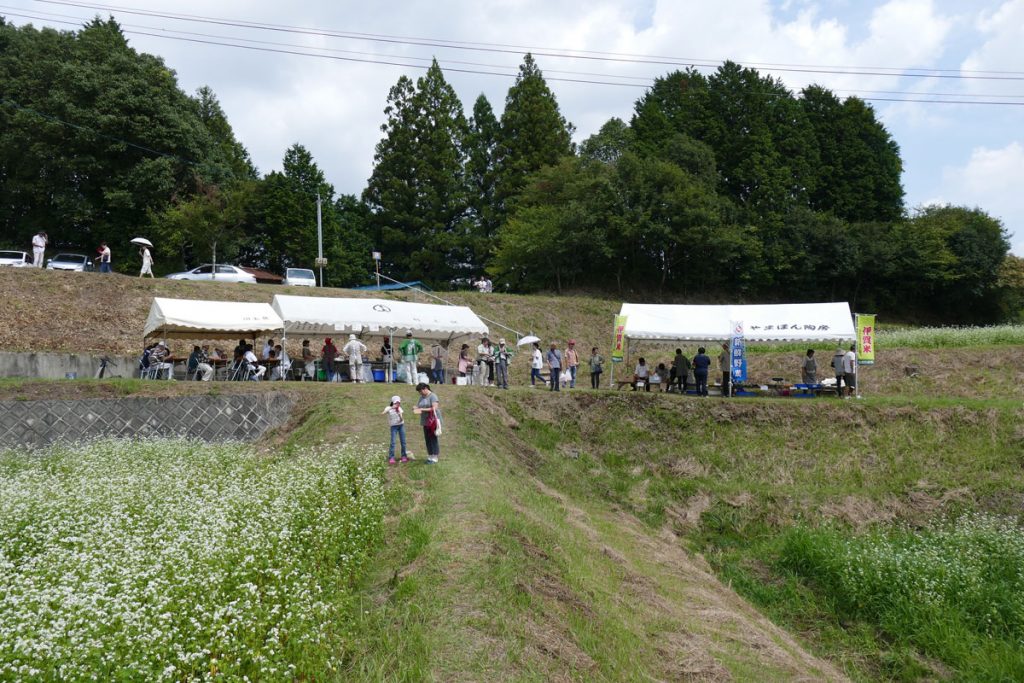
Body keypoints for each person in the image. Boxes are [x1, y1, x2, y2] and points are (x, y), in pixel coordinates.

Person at [413, 382, 441, 464]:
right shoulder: (421, 397)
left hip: (432, 421)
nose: (420, 393)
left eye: (420, 391)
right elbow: (419, 406)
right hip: (425, 421)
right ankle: (430, 455)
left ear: (425, 389)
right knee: (427, 439)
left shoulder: (433, 396)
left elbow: (434, 408)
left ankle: (435, 456)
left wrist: (422, 409)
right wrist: (416, 408)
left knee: (433, 438)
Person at [382, 395, 410, 464]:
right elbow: (383, 413)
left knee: (403, 442)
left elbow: (401, 419)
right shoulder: (388, 408)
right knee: (393, 442)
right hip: (393, 427)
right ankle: (391, 457)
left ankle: (404, 456)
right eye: (396, 403)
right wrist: (392, 407)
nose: (397, 404)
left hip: (401, 426)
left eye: (398, 403)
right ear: (393, 402)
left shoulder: (399, 408)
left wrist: (400, 417)